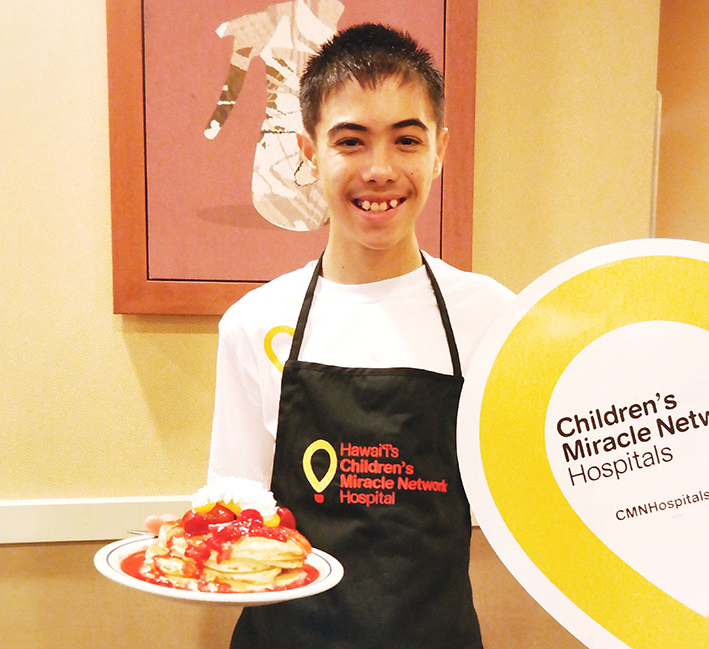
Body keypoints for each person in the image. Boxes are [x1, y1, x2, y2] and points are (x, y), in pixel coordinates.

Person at [190, 23, 513, 648]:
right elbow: (239, 500)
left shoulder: (491, 317)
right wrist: (201, 538)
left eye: (407, 140)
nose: (381, 169)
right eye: (351, 141)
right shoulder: (253, 321)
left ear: (440, 151)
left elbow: (527, 496)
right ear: (310, 152)